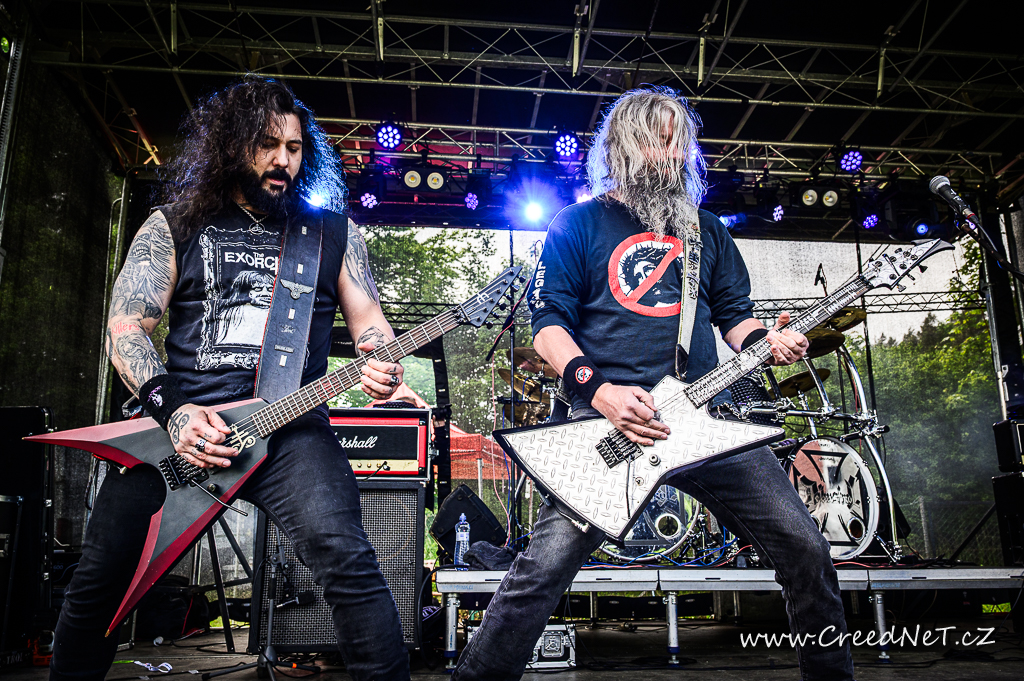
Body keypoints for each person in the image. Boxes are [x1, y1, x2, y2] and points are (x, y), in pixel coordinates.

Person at [453, 87, 855, 681]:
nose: (670, 153)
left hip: (704, 418)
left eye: (678, 141)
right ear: (622, 146)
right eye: (656, 140)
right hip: (605, 424)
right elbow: (549, 327)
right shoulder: (578, 224)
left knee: (805, 547)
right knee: (541, 571)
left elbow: (735, 318)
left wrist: (767, 341)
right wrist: (601, 393)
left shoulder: (706, 231)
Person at [51, 77, 411, 681]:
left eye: (294, 148)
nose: (283, 161)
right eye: (267, 145)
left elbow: (370, 323)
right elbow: (127, 329)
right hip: (177, 429)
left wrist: (381, 358)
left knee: (348, 561)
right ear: (231, 145)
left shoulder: (333, 233)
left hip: (290, 429)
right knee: (99, 580)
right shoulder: (173, 225)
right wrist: (175, 412)